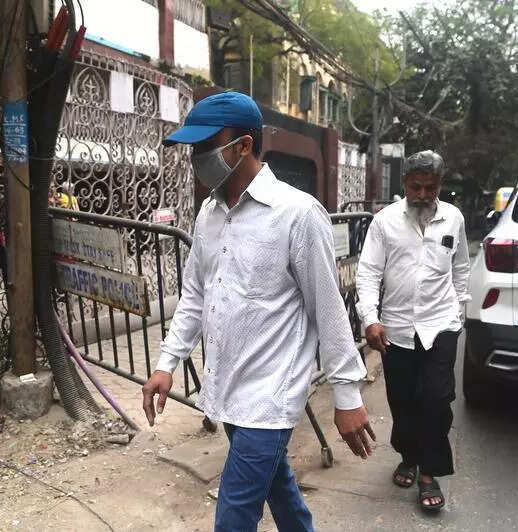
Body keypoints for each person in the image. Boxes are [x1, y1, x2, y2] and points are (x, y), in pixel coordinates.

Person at [141, 91, 375, 532]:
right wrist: (166, 363)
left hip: (271, 394)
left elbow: (328, 310)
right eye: (193, 149)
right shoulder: (209, 213)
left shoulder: (297, 214)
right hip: (227, 387)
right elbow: (195, 295)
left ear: (244, 146)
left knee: (233, 517)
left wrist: (347, 397)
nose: (196, 158)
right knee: (280, 489)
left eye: (206, 146)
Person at [355, 150, 470, 512]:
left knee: (436, 399)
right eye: (415, 187)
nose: (422, 195)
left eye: (430, 188)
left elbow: (461, 268)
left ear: (439, 185)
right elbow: (368, 272)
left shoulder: (453, 218)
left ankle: (428, 473)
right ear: (404, 183)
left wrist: (458, 311)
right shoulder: (384, 222)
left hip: (441, 325)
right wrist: (370, 318)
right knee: (403, 401)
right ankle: (408, 455)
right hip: (397, 328)